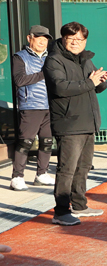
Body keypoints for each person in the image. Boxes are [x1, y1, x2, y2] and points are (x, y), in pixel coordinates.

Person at [44, 22, 107, 227]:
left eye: (79, 39)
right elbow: (60, 87)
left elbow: (95, 87)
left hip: (88, 122)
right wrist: (91, 82)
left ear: (85, 41)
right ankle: (61, 211)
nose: (75, 43)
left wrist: (101, 80)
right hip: (69, 124)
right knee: (67, 169)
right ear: (63, 39)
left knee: (83, 167)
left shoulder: (86, 59)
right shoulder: (54, 60)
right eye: (71, 39)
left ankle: (79, 204)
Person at [9, 25, 55, 191]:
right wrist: (45, 73)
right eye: (39, 37)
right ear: (30, 38)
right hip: (30, 105)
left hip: (50, 106)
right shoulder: (19, 57)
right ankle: (17, 177)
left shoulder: (51, 57)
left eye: (45, 38)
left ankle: (41, 174)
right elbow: (19, 80)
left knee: (47, 141)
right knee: (25, 142)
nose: (43, 41)